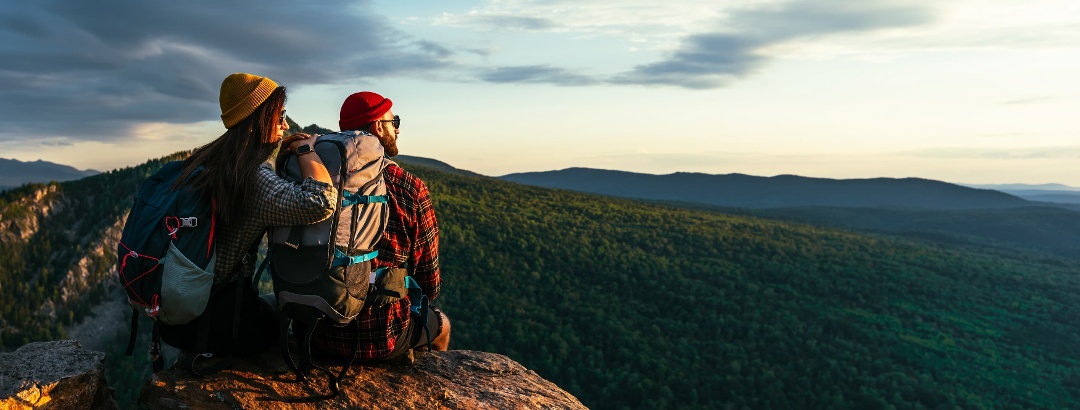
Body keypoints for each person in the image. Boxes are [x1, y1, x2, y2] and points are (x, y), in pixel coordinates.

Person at [158, 73, 337, 359]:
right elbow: (322, 201)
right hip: (223, 321)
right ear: (256, 120)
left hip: (177, 315)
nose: (285, 125)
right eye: (280, 116)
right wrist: (305, 149)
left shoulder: (206, 161)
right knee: (289, 309)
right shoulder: (252, 175)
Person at [311, 91, 450, 361]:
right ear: (378, 126)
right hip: (380, 335)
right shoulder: (409, 187)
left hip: (316, 328)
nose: (397, 129)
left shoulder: (316, 178)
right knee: (442, 325)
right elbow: (429, 284)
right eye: (394, 121)